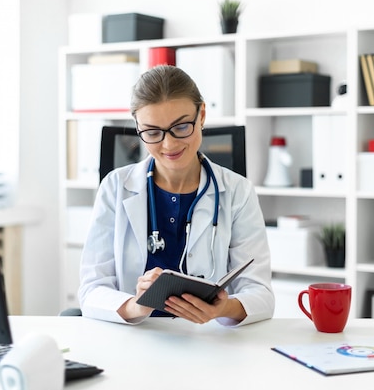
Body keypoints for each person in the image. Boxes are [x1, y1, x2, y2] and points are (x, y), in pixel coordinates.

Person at [78, 64, 274, 326]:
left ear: (201, 114)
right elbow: (91, 290)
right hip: (136, 338)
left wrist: (224, 308)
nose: (169, 145)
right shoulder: (115, 188)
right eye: (152, 132)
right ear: (137, 126)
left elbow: (261, 294)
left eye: (181, 127)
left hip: (209, 341)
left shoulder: (238, 192)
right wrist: (135, 306)